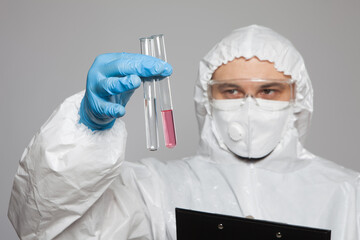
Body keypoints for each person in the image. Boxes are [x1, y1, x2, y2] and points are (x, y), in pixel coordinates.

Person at [8, 25, 359, 240]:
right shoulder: (156, 189)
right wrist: (87, 129)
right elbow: (43, 227)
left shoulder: (348, 195)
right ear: (207, 99)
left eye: (269, 91)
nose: (249, 105)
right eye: (231, 91)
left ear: (298, 98)